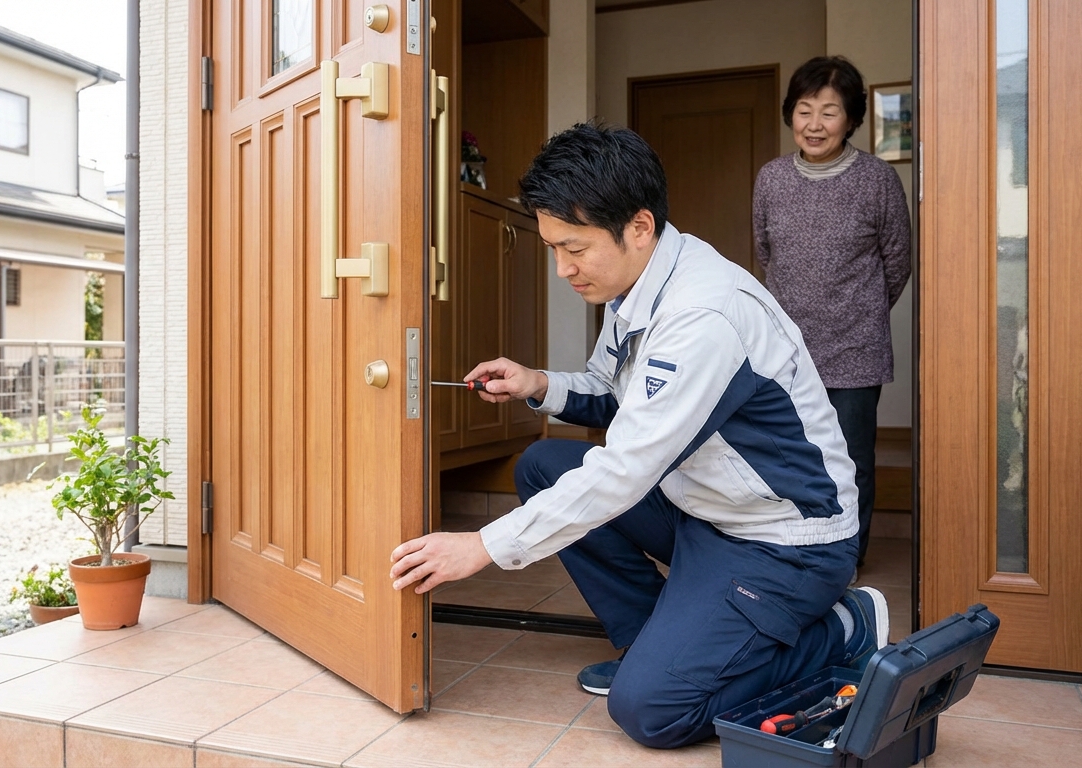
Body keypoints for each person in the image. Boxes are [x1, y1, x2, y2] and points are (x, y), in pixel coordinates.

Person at [389, 123, 888, 749]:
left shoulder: (703, 314)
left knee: (652, 710)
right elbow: (614, 393)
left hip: (783, 541)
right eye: (551, 247)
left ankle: (845, 627)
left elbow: (625, 468)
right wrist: (537, 382)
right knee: (546, 464)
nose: (563, 268)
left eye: (575, 247)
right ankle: (655, 637)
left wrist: (484, 546)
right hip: (703, 510)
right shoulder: (636, 287)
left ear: (640, 227)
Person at [752, 57, 912, 570]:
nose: (814, 124)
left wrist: (858, 311)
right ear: (790, 114)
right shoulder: (771, 178)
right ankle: (795, 545)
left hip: (856, 345)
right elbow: (764, 252)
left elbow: (897, 261)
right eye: (804, 111)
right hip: (787, 348)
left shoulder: (877, 178)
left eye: (829, 112)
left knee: (851, 461)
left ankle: (846, 557)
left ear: (851, 119)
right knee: (787, 453)